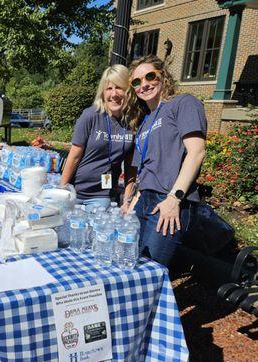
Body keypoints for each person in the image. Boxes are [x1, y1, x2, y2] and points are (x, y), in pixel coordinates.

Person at [123, 55, 206, 268]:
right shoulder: (144, 122)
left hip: (168, 200)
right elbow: (146, 171)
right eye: (137, 82)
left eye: (150, 76)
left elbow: (196, 152)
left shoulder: (183, 103)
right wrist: (130, 206)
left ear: (163, 76)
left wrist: (174, 199)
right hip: (144, 202)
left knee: (151, 270)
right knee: (134, 265)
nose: (144, 84)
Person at [60, 64, 136, 212]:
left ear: (128, 91)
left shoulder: (132, 123)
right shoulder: (91, 115)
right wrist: (62, 190)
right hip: (76, 189)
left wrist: (127, 200)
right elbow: (74, 156)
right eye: (109, 88)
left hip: (101, 194)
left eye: (119, 87)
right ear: (102, 92)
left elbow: (130, 167)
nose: (114, 94)